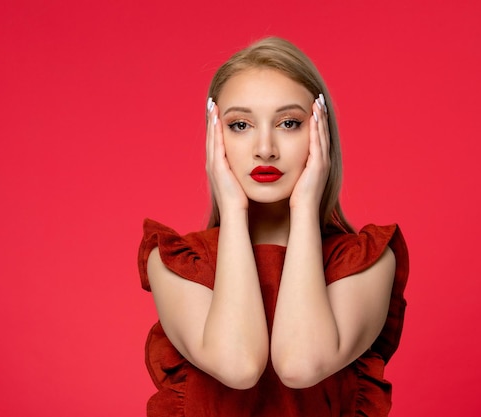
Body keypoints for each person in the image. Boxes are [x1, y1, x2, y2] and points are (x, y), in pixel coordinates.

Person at [138, 37, 409, 417]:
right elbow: (239, 365)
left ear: (321, 134)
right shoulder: (178, 263)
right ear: (215, 139)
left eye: (289, 123)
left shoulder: (366, 261)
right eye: (240, 125)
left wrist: (303, 209)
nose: (265, 148)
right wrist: (232, 208)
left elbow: (300, 364)